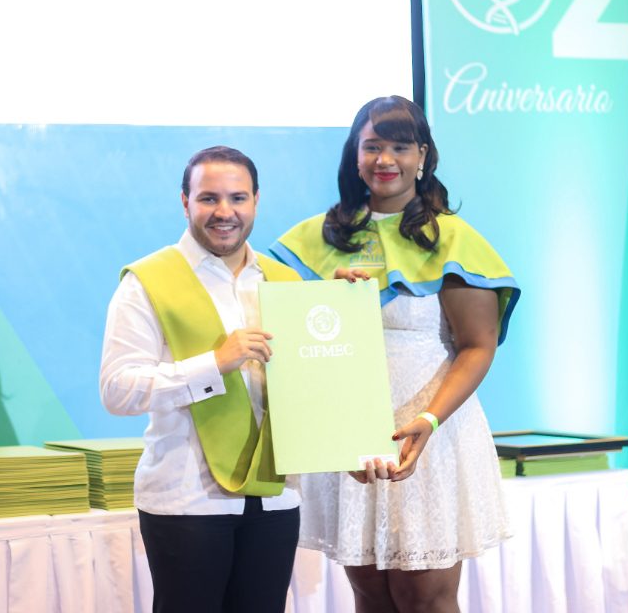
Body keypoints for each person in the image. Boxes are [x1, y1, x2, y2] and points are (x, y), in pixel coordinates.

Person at [270, 96, 520, 613]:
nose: (385, 159)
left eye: (400, 147)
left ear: (422, 156)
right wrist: (329, 295)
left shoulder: (452, 239)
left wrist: (428, 420)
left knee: (424, 596)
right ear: (355, 155)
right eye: (373, 147)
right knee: (370, 592)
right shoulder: (316, 239)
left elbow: (477, 346)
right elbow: (289, 338)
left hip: (430, 433)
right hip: (350, 438)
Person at [100, 146, 302, 613]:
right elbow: (117, 390)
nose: (224, 212)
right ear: (185, 202)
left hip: (275, 498)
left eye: (238, 198)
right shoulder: (146, 282)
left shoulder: (285, 281)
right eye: (209, 198)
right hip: (187, 500)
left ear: (256, 201)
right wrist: (213, 365)